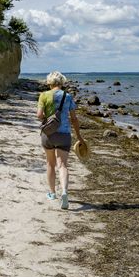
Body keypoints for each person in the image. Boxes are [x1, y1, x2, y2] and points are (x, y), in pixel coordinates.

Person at [37, 71, 83, 210]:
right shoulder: (67, 96)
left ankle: (52, 193)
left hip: (48, 135)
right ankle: (64, 191)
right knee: (62, 165)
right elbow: (74, 118)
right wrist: (79, 136)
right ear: (62, 82)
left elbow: (39, 115)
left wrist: (48, 118)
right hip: (64, 135)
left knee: (50, 164)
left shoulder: (44, 95)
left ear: (49, 82)